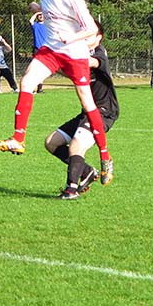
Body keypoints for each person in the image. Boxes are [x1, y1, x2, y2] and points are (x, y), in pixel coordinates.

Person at [0, 0, 113, 184]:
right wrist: (37, 8)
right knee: (27, 82)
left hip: (74, 52)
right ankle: (18, 139)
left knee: (87, 103)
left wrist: (71, 37)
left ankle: (105, 157)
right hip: (52, 49)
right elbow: (48, 9)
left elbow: (90, 28)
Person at [44, 22, 119, 199]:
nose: (85, 39)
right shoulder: (78, 52)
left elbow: (91, 62)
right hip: (87, 112)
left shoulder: (99, 52)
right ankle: (87, 172)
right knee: (51, 143)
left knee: (76, 146)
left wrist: (66, 56)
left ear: (98, 38)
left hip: (104, 111)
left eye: (89, 36)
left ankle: (71, 189)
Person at [28, 2, 46, 93]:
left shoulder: (48, 25)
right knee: (36, 69)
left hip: (46, 49)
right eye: (39, 16)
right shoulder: (36, 25)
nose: (40, 16)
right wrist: (37, 13)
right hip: (37, 49)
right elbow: (31, 21)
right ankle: (36, 87)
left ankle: (40, 88)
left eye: (42, 15)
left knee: (43, 69)